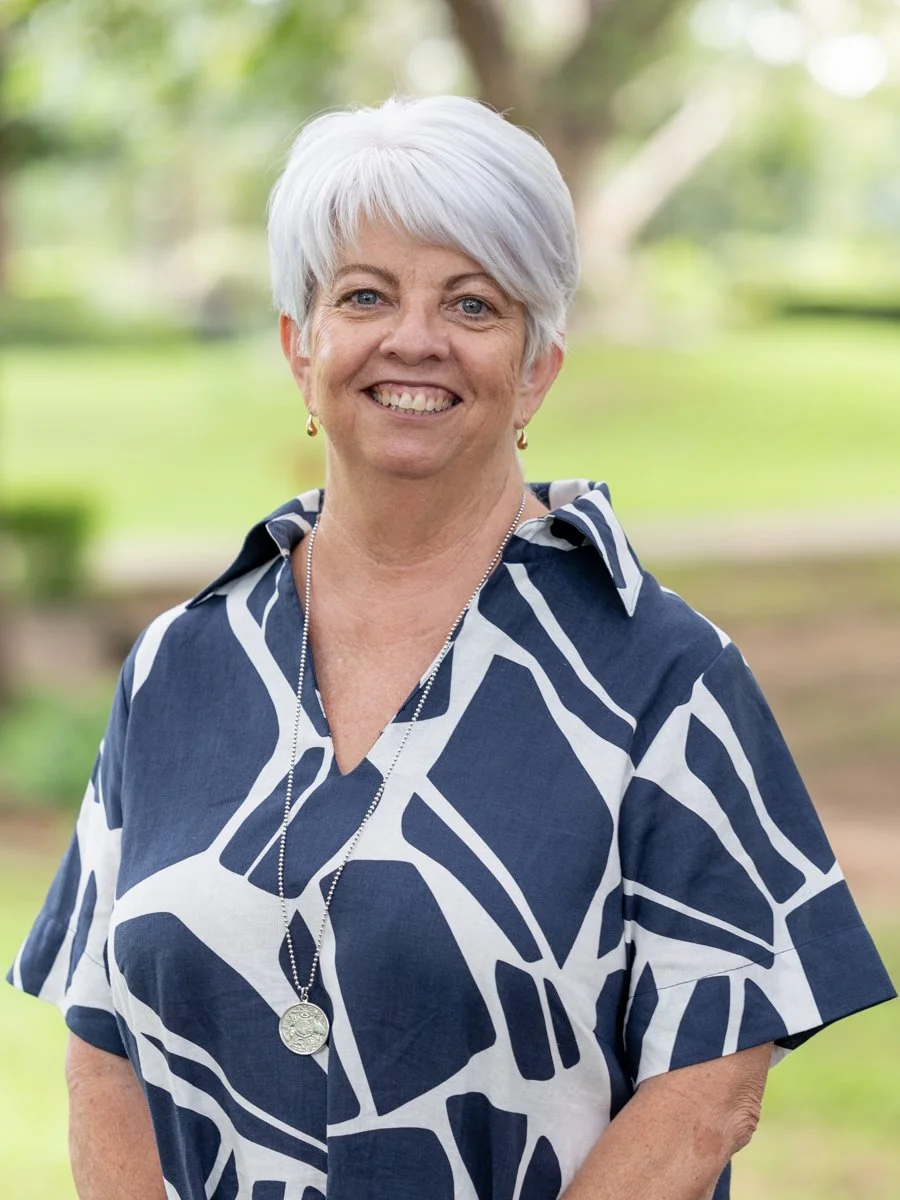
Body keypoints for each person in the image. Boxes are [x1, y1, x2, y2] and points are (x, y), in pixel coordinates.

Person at [7, 95, 894, 1200]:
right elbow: (103, 1040)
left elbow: (712, 1088)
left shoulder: (663, 678)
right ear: (301, 347)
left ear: (535, 370)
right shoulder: (179, 666)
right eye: (366, 295)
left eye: (472, 303)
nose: (413, 338)